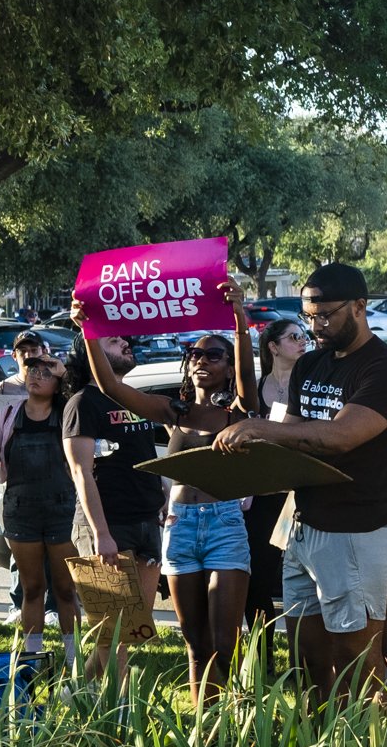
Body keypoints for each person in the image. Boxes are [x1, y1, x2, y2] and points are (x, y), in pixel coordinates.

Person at [215, 263, 387, 706]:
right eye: (310, 316)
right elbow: (292, 445)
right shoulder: (311, 362)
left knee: (358, 653)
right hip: (302, 528)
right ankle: (320, 740)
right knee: (306, 653)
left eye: (327, 315)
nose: (317, 327)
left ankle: (373, 746)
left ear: (359, 306)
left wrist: (261, 429)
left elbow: (338, 437)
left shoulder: (380, 368)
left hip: (358, 531)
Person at [73, 286, 254, 701]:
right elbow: (113, 389)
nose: (201, 360)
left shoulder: (238, 412)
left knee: (223, 645)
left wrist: (240, 319)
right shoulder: (173, 411)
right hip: (180, 529)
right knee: (194, 644)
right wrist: (88, 330)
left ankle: (229, 722)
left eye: (213, 355)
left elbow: (248, 382)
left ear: (228, 367)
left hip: (225, 525)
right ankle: (202, 724)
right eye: (195, 353)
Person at [64, 328, 168, 685]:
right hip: (106, 526)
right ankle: (120, 716)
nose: (127, 342)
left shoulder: (134, 398)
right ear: (89, 352)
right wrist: (101, 533)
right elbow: (80, 472)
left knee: (129, 631)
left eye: (125, 338)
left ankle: (79, 692)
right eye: (113, 340)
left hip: (146, 525)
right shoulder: (82, 403)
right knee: (111, 631)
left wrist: (161, 494)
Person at [0, 356, 82, 661]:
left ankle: (72, 658)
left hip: (62, 511)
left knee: (66, 590)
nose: (36, 376)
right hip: (20, 510)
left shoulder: (68, 412)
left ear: (58, 384)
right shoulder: (8, 415)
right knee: (31, 588)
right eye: (32, 370)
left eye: (45, 372)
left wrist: (63, 370)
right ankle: (32, 657)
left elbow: (81, 388)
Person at [245, 318, 311, 625]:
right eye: (294, 337)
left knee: (301, 579)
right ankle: (263, 659)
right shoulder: (253, 389)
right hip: (263, 499)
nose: (303, 341)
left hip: (304, 496)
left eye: (304, 336)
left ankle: (304, 661)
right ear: (273, 347)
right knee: (258, 579)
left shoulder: (312, 385)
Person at [0, 331, 53, 397]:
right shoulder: (1, 390)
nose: (28, 356)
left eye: (34, 350)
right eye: (22, 351)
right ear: (14, 356)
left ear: (44, 352)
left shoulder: (53, 387)